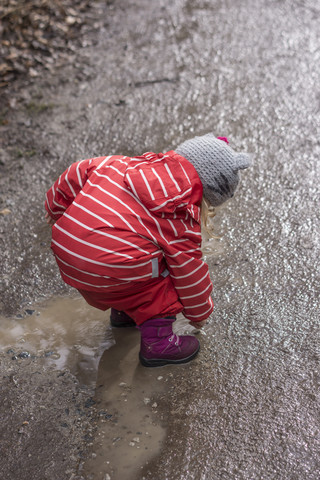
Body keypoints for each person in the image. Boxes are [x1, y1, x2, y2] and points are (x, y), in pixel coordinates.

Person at [45, 133, 250, 367]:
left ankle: (124, 314)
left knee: (130, 249)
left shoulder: (119, 164)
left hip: (67, 251)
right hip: (109, 268)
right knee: (164, 273)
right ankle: (158, 343)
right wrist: (200, 314)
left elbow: (76, 171)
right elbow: (190, 274)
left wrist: (56, 210)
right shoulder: (178, 215)